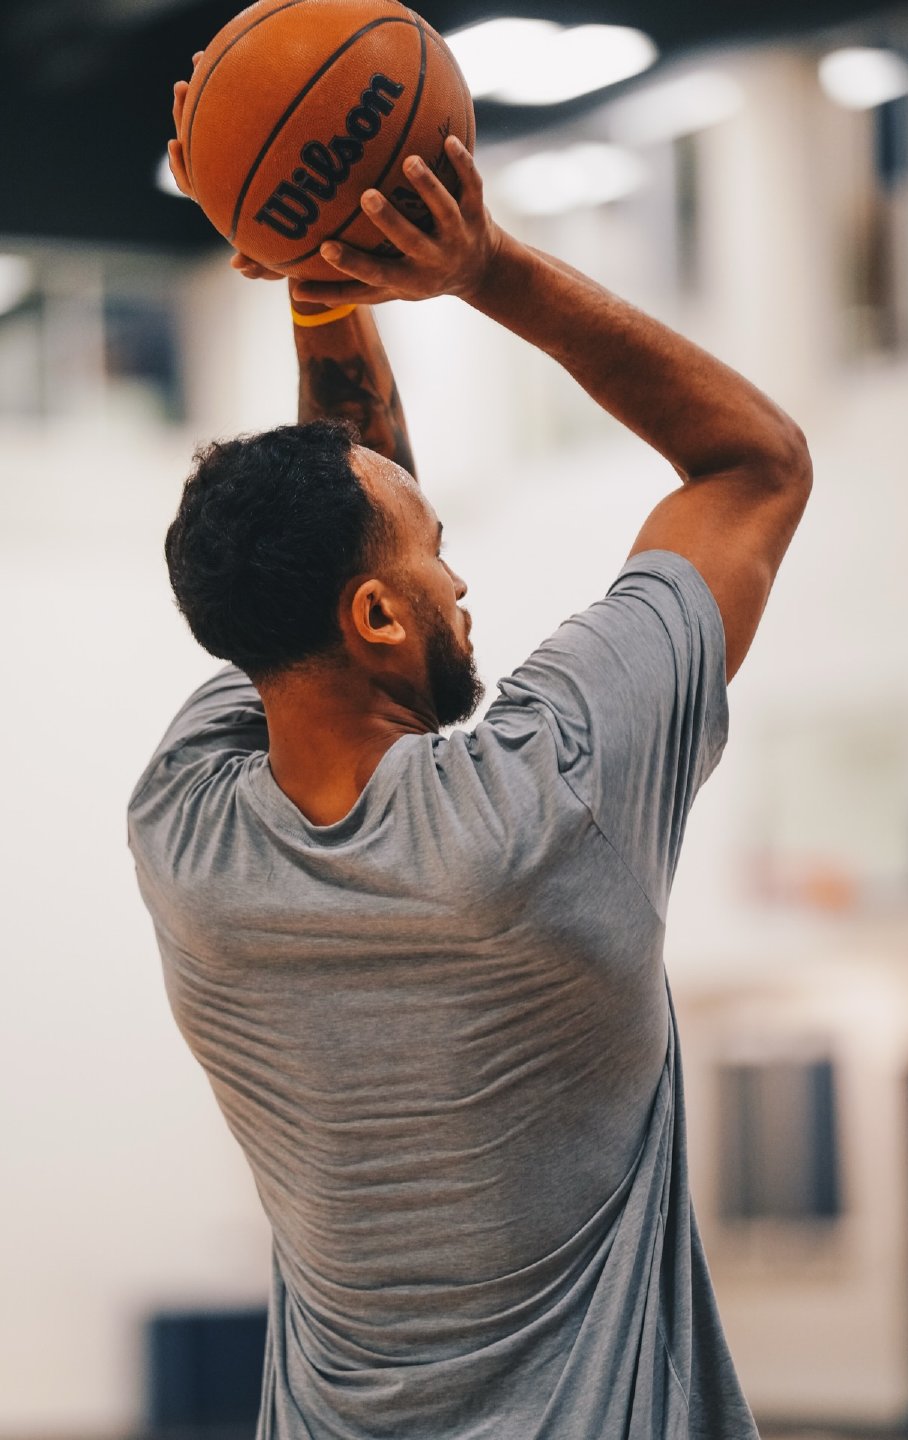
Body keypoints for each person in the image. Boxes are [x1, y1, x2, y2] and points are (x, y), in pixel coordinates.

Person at [127, 68, 811, 1440]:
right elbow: (752, 464)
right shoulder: (543, 803)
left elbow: (321, 540)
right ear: (381, 618)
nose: (458, 579)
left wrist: (317, 267)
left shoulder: (186, 833)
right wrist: (481, 266)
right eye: (437, 553)